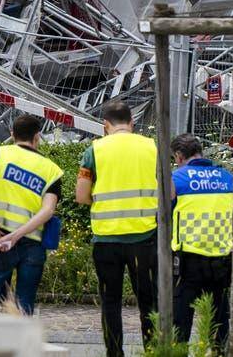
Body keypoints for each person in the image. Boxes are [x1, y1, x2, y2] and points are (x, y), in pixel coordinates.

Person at [76, 100, 159, 357]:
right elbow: (169, 190)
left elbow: (81, 195)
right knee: (148, 302)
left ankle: (114, 352)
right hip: (144, 238)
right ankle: (154, 350)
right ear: (132, 123)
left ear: (105, 125)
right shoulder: (151, 146)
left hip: (106, 239)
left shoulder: (94, 150)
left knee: (110, 302)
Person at [0, 115, 62, 314]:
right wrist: (18, 235)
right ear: (37, 137)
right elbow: (48, 210)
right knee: (24, 305)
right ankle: (21, 344)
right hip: (32, 242)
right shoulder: (52, 170)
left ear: (12, 134)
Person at [169, 134, 232, 350]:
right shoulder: (226, 177)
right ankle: (219, 353)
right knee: (220, 319)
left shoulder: (176, 179)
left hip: (188, 259)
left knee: (181, 318)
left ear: (179, 156)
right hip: (223, 257)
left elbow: (163, 215)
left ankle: (179, 353)